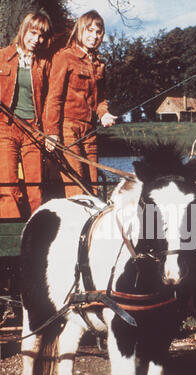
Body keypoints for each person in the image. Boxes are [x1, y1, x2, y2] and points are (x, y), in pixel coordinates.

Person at [44, 10, 116, 197]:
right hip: (68, 130)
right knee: (76, 188)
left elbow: (100, 99)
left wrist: (104, 114)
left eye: (98, 32)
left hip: (90, 132)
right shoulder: (64, 57)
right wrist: (51, 133)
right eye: (89, 30)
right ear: (79, 31)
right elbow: (54, 97)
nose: (94, 36)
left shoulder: (99, 63)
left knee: (92, 188)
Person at [0, 10, 53, 219]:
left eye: (41, 36)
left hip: (34, 130)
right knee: (7, 184)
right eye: (33, 33)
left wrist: (48, 132)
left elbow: (50, 100)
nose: (36, 40)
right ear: (24, 30)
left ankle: (36, 236)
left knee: (35, 187)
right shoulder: (3, 56)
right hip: (6, 127)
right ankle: (9, 236)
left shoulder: (45, 64)